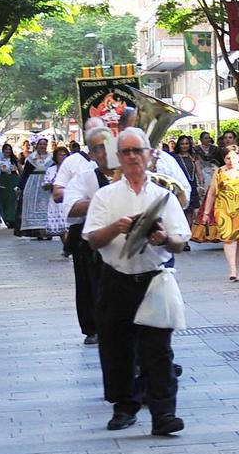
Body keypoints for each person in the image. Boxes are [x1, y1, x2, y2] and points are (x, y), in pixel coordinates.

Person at [84, 127, 192, 436]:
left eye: (138, 151)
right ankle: (124, 407)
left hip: (153, 280)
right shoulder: (105, 196)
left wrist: (162, 238)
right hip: (116, 278)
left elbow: (179, 241)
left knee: (158, 349)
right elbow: (92, 239)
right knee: (116, 348)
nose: (133, 157)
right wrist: (116, 229)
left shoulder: (163, 195)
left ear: (148, 155)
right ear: (118, 158)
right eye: (127, 152)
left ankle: (164, 413)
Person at [61, 130, 111, 345]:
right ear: (91, 153)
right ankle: (93, 328)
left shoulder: (134, 173)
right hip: (92, 238)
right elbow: (69, 208)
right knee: (90, 284)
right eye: (99, 148)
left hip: (127, 241)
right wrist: (102, 201)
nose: (106, 153)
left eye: (109, 146)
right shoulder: (85, 176)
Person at [195, 142, 239, 282]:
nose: (231, 161)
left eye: (233, 158)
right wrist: (206, 213)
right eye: (228, 158)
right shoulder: (219, 172)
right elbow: (211, 193)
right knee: (229, 238)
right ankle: (232, 269)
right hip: (224, 209)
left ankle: (236, 269)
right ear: (224, 159)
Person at [18, 138, 54, 239]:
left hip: (47, 183)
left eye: (44, 144)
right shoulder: (31, 158)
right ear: (37, 145)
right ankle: (38, 231)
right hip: (33, 184)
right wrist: (20, 186)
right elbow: (25, 173)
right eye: (41, 144)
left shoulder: (51, 158)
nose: (42, 146)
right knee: (34, 207)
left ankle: (46, 230)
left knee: (47, 207)